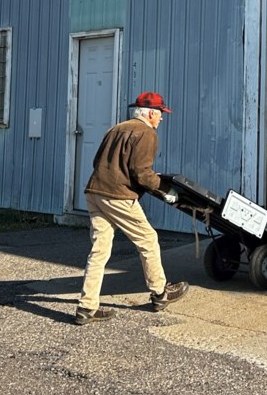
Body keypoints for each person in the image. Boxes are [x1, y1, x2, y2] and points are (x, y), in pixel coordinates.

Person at [74, 91, 189, 324]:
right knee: (148, 240)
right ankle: (160, 294)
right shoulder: (146, 133)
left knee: (99, 251)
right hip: (118, 196)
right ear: (150, 114)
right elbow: (142, 174)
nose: (162, 119)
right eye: (160, 114)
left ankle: (86, 308)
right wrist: (166, 191)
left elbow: (98, 162)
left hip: (94, 192)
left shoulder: (115, 129)